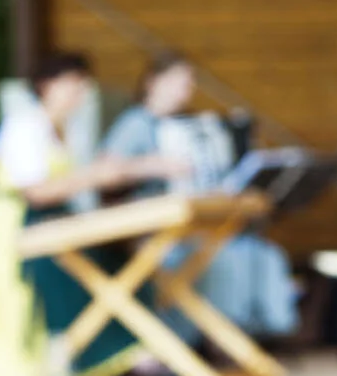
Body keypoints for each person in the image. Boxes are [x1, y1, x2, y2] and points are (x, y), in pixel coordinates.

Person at [0, 52, 184, 376]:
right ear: (47, 85)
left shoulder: (61, 128)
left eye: (83, 84)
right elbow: (36, 192)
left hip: (53, 224)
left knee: (117, 260)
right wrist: (93, 177)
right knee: (73, 271)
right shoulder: (25, 126)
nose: (81, 91)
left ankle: (125, 355)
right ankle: (94, 356)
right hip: (14, 229)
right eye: (73, 82)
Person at [103, 54, 299, 343]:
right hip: (154, 230)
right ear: (153, 82)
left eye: (190, 82)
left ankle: (246, 333)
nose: (186, 89)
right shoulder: (136, 124)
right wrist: (151, 165)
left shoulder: (192, 123)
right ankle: (203, 339)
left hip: (192, 226)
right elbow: (104, 172)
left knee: (257, 252)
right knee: (220, 258)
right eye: (179, 81)